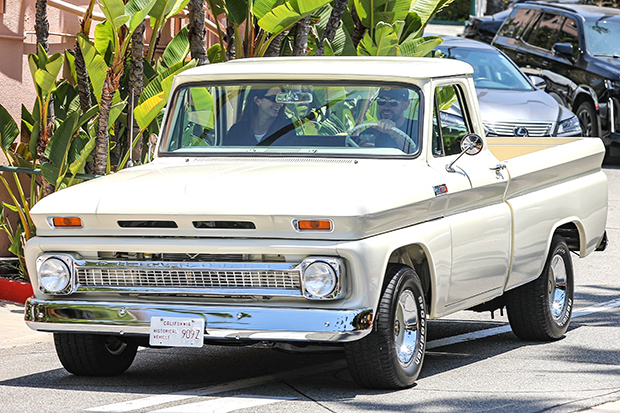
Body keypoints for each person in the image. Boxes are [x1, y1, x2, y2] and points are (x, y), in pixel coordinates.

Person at [225, 87, 294, 146]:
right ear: (257, 100)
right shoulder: (237, 131)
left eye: (281, 99)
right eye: (274, 98)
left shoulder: (287, 130)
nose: (279, 104)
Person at [359, 88, 417, 153]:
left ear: (405, 106)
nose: (386, 107)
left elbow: (416, 154)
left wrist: (394, 133)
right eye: (381, 101)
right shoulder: (369, 133)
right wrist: (362, 150)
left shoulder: (417, 128)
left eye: (393, 102)